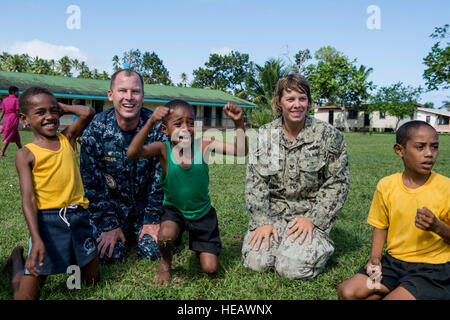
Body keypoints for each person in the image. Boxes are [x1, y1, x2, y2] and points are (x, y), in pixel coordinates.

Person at [127, 99, 248, 287]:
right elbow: (132, 153)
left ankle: (200, 245)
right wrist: (150, 122)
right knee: (166, 235)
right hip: (174, 210)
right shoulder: (163, 150)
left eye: (191, 123)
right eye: (178, 123)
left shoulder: (204, 145)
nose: (186, 128)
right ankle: (165, 262)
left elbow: (241, 151)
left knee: (210, 269)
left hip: (202, 213)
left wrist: (239, 122)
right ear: (164, 130)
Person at [242, 73, 350, 280]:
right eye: (290, 99)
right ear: (279, 102)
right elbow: (255, 182)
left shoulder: (329, 136)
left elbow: (338, 182)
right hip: (273, 214)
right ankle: (283, 243)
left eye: (302, 99)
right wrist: (263, 221)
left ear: (309, 102)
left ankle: (316, 243)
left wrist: (314, 220)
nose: (297, 105)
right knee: (257, 262)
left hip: (308, 214)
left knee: (291, 269)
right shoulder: (265, 135)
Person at [338, 121, 450, 300]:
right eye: (420, 147)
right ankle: (396, 288)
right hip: (393, 266)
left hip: (432, 270)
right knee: (348, 292)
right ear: (400, 150)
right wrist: (375, 258)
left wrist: (437, 227)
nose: (429, 154)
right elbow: (380, 226)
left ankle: (410, 291)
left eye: (434, 147)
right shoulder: (387, 185)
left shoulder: (446, 188)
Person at [6, 86, 98, 300]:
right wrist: (37, 239)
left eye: (53, 111)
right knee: (25, 298)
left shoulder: (67, 138)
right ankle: (17, 260)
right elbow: (28, 199)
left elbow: (88, 113)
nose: (49, 117)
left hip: (78, 217)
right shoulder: (26, 154)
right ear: (24, 118)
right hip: (47, 223)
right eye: (40, 112)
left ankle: (70, 270)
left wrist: (61, 107)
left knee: (88, 282)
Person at [80, 69, 166, 264]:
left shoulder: (157, 129)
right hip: (111, 209)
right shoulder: (96, 129)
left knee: (154, 251)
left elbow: (162, 179)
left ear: (143, 96)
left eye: (135, 91)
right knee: (108, 254)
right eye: (122, 91)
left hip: (145, 209)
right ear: (111, 95)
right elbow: (91, 184)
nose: (129, 97)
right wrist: (109, 225)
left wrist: (152, 219)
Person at [0, 86, 22, 157]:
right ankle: (1, 153)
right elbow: (17, 112)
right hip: (13, 119)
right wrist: (22, 116)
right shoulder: (16, 100)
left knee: (16, 137)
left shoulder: (4, 100)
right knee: (8, 136)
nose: (18, 93)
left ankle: (22, 152)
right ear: (13, 92)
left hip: (7, 119)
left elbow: (2, 112)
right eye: (17, 92)